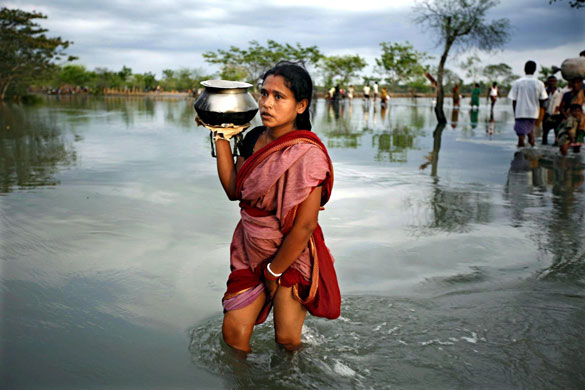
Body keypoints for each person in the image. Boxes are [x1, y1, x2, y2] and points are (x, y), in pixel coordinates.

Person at [214, 61, 340, 353]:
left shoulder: (308, 155)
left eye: (278, 97)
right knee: (234, 333)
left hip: (290, 255)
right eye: (263, 94)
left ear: (300, 105)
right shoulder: (254, 139)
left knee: (286, 341)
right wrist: (220, 135)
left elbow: (305, 225)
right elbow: (234, 190)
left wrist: (274, 271)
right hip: (250, 246)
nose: (266, 104)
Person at [508, 60, 548, 147]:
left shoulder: (518, 83)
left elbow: (514, 100)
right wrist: (540, 113)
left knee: (521, 138)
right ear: (534, 70)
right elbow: (543, 100)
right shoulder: (539, 83)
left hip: (521, 113)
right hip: (534, 113)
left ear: (524, 69)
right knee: (530, 132)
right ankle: (531, 155)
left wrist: (515, 113)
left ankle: (520, 156)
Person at [542, 75, 564, 145]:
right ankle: (544, 146)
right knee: (545, 132)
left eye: (553, 81)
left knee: (557, 132)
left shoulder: (560, 91)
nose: (552, 83)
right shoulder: (545, 91)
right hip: (546, 114)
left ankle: (556, 145)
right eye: (550, 81)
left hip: (557, 115)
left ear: (556, 82)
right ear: (548, 82)